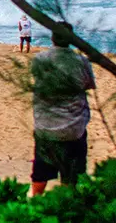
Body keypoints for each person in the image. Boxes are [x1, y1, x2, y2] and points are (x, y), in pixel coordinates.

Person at [31, 22, 95, 194]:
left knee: (39, 178)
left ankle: (33, 208)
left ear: (52, 37)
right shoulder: (80, 61)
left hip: (46, 127)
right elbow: (89, 85)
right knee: (71, 180)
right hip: (74, 130)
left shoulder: (40, 59)